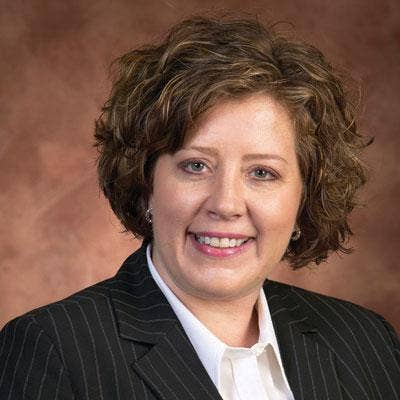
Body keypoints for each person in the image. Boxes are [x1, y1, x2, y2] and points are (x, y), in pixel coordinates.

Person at [0, 14, 399, 400]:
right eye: (196, 166)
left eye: (262, 173)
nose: (226, 204)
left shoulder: (366, 342)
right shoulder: (53, 351)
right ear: (145, 181)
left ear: (304, 197)